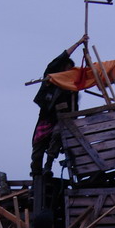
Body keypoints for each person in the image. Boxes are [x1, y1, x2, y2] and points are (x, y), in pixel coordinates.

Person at [30, 34, 88, 177]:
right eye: (66, 70)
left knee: (57, 135)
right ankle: (36, 174)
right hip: (46, 119)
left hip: (60, 121)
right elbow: (60, 59)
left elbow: (74, 111)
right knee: (38, 147)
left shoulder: (71, 91)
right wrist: (79, 43)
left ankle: (48, 165)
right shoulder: (51, 79)